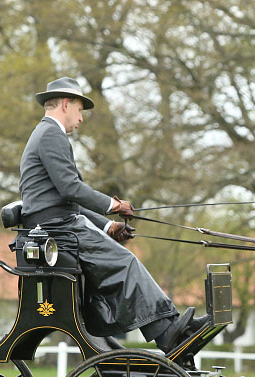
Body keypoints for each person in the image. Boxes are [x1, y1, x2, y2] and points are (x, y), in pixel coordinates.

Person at [19, 77, 207, 351]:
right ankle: (167, 332)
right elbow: (71, 188)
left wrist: (109, 227)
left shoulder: (48, 134)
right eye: (80, 110)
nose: (81, 119)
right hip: (57, 230)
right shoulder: (50, 134)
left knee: (122, 262)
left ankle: (168, 326)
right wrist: (114, 205)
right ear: (66, 104)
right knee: (125, 262)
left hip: (60, 224)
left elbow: (65, 199)